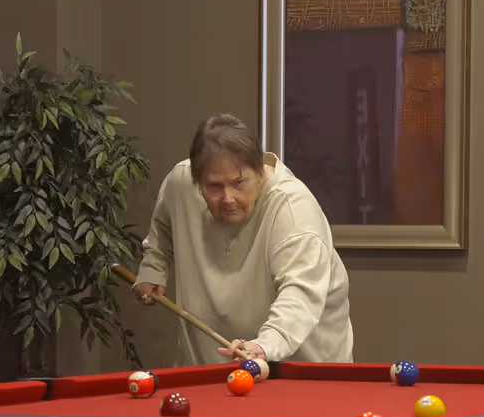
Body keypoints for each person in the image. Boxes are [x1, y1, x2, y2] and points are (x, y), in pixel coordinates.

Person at [132, 114, 354, 366]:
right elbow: (163, 225)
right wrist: (153, 267)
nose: (228, 198)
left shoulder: (294, 212)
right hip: (208, 379)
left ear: (259, 172)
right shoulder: (181, 183)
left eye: (239, 183)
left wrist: (265, 344)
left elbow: (300, 295)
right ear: (196, 181)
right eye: (215, 187)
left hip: (303, 379)